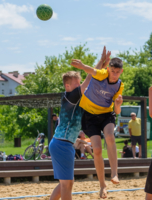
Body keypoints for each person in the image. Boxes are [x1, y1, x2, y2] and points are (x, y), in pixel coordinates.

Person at [49, 46, 109, 200]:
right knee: (67, 184)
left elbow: (91, 81)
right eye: (77, 84)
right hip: (62, 144)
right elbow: (88, 82)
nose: (80, 86)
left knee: (66, 183)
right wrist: (99, 63)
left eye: (79, 83)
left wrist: (101, 66)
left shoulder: (74, 98)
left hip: (63, 143)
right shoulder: (69, 96)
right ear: (67, 86)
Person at [70, 55, 124, 198]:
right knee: (98, 150)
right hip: (89, 116)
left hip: (106, 114)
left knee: (110, 136)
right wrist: (82, 66)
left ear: (121, 72)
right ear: (108, 69)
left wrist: (118, 105)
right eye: (112, 71)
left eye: (117, 72)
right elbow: (92, 71)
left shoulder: (119, 85)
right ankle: (102, 185)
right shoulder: (102, 74)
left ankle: (114, 173)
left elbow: (117, 112)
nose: (114, 75)